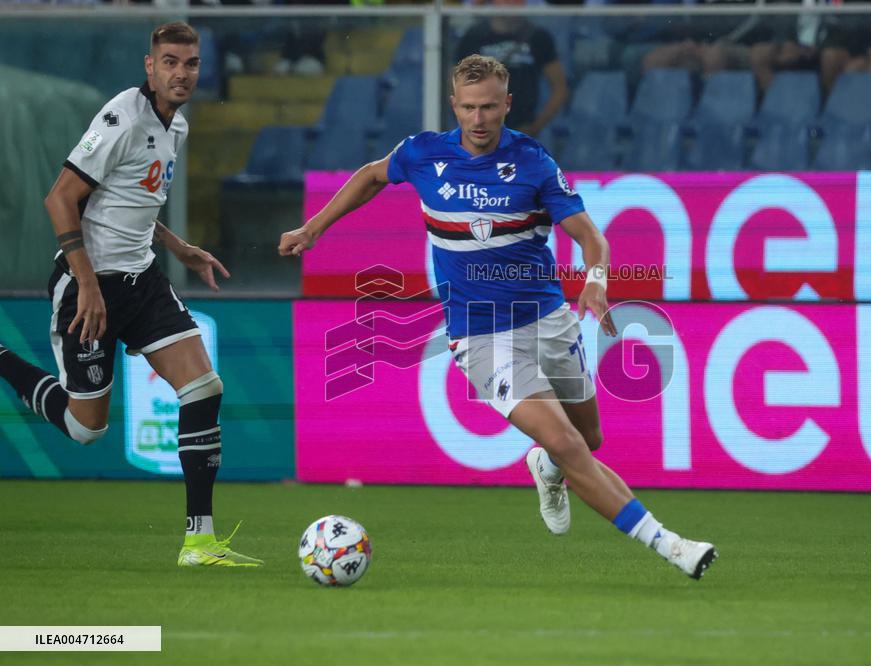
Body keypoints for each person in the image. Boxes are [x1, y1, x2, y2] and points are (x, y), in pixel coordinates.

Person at [278, 54, 717, 580]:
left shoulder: (533, 161)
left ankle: (544, 468)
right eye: (468, 108)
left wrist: (596, 281)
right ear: (453, 106)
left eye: (489, 107)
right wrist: (315, 227)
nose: (479, 119)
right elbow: (372, 177)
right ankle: (671, 546)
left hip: (549, 319)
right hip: (481, 335)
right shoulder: (423, 153)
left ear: (507, 103)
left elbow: (591, 237)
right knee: (569, 443)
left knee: (588, 439)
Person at [0, 22, 262, 568]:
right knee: (84, 429)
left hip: (142, 281)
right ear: (150, 66)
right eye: (169, 62)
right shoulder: (123, 115)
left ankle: (199, 541)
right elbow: (59, 200)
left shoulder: (177, 127)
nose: (180, 73)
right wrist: (90, 286)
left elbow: (133, 202)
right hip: (86, 285)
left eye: (189, 64)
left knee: (203, 388)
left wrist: (179, 246)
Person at [455, 0, 568, 138]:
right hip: (480, 127)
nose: (508, 4)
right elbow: (455, 84)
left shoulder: (538, 37)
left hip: (524, 129)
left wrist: (536, 125)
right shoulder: (474, 36)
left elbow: (559, 87)